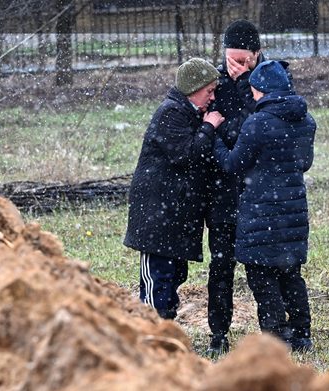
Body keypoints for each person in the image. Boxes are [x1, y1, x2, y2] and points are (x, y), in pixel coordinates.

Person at [212, 60, 316, 353]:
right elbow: (304, 163)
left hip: (261, 212)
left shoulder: (257, 123)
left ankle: (275, 338)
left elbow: (233, 164)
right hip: (293, 212)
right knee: (291, 275)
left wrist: (216, 137)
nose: (253, 97)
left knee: (262, 276)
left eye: (254, 92)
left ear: (261, 90)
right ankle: (302, 336)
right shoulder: (306, 120)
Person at [205, 19, 295, 357]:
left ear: (258, 54)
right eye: (232, 60)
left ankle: (276, 335)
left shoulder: (274, 81)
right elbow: (220, 131)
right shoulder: (215, 83)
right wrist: (228, 132)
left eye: (244, 60)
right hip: (223, 192)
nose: (236, 67)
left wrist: (245, 83)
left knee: (267, 268)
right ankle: (218, 334)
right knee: (221, 267)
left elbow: (253, 129)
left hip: (261, 195)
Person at [124, 58, 225, 320]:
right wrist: (209, 127)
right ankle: (151, 331)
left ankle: (164, 327)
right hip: (157, 214)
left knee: (174, 273)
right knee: (158, 277)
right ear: (193, 88)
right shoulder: (170, 113)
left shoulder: (188, 112)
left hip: (173, 213)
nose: (212, 98)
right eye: (209, 91)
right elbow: (187, 155)